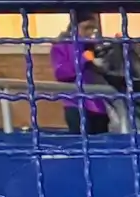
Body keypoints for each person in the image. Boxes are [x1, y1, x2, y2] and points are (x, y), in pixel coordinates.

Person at [51, 7, 110, 135]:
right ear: (75, 27)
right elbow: (61, 73)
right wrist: (83, 59)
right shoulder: (61, 45)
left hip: (99, 104)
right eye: (86, 28)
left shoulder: (94, 46)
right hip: (76, 104)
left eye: (92, 29)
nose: (90, 33)